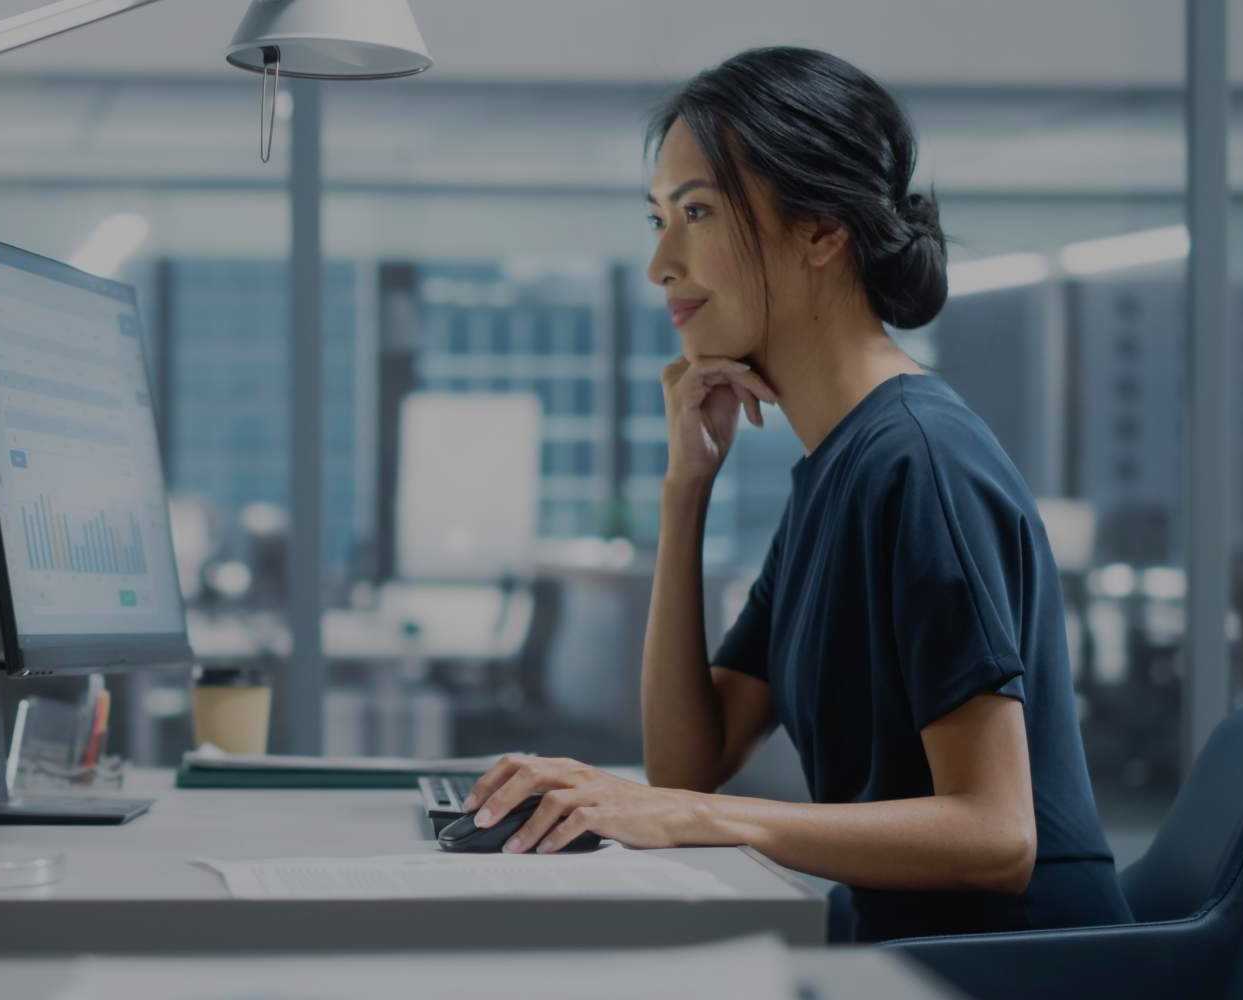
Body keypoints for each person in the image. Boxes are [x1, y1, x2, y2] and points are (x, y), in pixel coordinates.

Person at [458, 46, 1127, 943]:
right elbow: (688, 760)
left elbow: (996, 834)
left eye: (695, 213)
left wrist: (704, 820)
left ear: (821, 230)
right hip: (895, 949)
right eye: (657, 219)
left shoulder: (918, 463)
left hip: (1007, 970)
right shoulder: (840, 469)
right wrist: (685, 490)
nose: (660, 263)